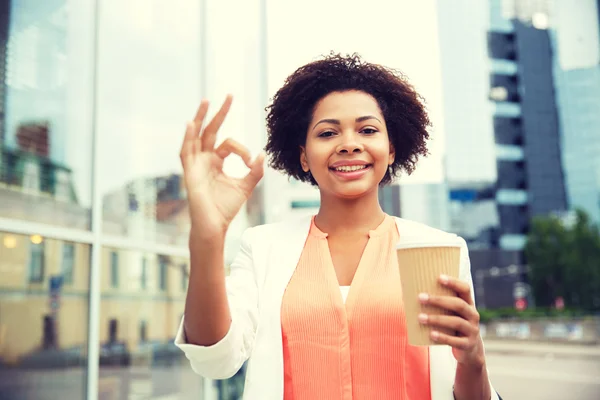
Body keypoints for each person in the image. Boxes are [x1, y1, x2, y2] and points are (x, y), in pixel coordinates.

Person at [175, 53, 499, 400]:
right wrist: (208, 236)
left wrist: (473, 359)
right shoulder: (263, 247)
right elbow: (214, 361)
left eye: (368, 130)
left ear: (391, 149)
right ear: (303, 156)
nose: (349, 144)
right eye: (328, 132)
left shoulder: (440, 249)